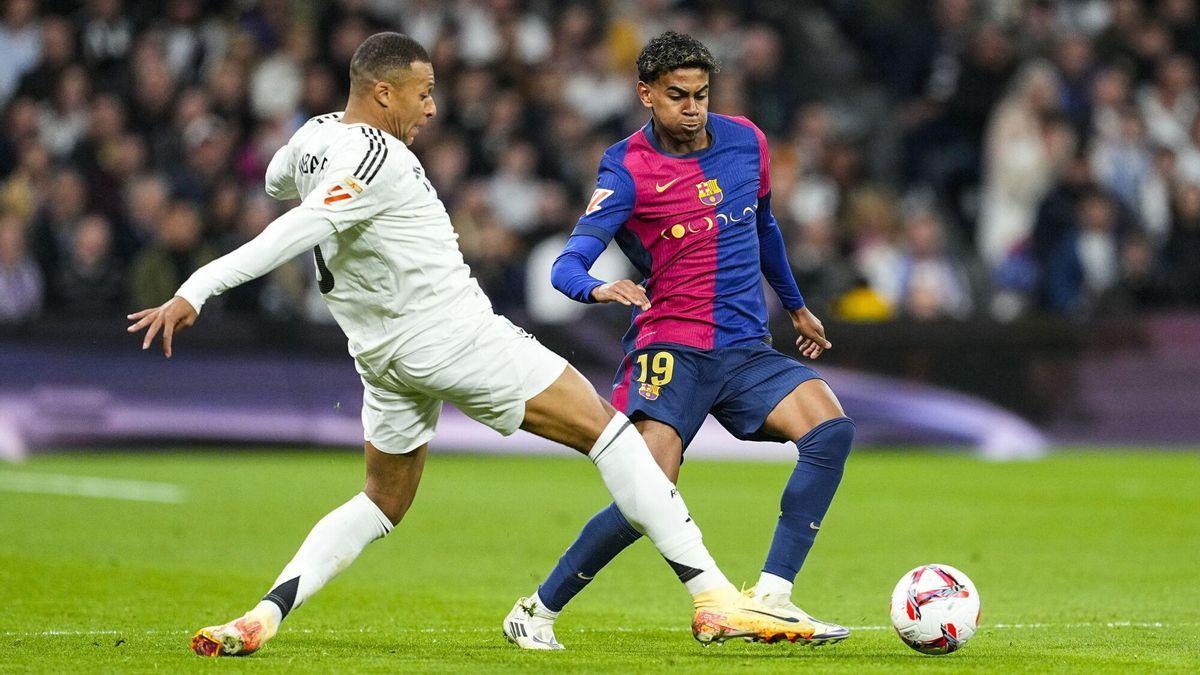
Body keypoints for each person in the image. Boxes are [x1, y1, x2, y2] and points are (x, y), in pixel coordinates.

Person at [125, 32, 815, 658]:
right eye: (422, 94)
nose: (430, 109)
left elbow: (279, 178)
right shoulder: (377, 154)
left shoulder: (315, 137)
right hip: (450, 332)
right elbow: (295, 228)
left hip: (381, 357)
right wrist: (197, 288)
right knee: (614, 437)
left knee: (379, 501)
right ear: (383, 92)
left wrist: (308, 177)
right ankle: (716, 598)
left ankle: (264, 612)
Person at [502, 31, 854, 650]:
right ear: (646, 94)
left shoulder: (747, 141)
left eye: (701, 94)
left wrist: (797, 307)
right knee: (649, 493)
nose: (692, 107)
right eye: (677, 96)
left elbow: (765, 227)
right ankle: (536, 610)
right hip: (673, 346)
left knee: (831, 429)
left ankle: (771, 595)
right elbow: (568, 263)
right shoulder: (627, 168)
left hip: (746, 345)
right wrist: (597, 289)